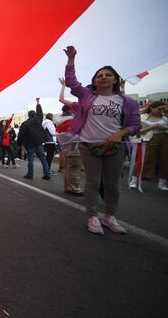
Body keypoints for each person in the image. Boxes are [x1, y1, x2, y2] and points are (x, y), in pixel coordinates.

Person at [64, 45, 140, 235]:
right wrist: (71, 59)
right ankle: (92, 217)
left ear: (115, 79)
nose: (104, 77)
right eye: (100, 76)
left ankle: (109, 216)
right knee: (93, 182)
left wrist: (120, 134)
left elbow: (135, 124)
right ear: (95, 82)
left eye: (108, 75)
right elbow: (72, 82)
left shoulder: (127, 102)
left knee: (113, 184)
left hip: (116, 147)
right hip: (89, 146)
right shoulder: (87, 96)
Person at [130, 101, 168, 190]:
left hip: (165, 139)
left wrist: (164, 128)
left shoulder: (165, 118)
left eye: (163, 109)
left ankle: (162, 183)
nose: (161, 111)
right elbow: (137, 131)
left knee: (165, 161)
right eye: (159, 109)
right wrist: (153, 127)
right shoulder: (142, 117)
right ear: (152, 108)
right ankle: (134, 181)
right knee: (143, 159)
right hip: (149, 139)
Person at [57, 78, 83, 196]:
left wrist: (63, 86)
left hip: (66, 149)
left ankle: (68, 186)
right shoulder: (71, 120)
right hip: (74, 148)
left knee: (68, 168)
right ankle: (74, 188)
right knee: (74, 167)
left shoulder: (60, 120)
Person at [17, 98, 51, 180]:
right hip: (39, 143)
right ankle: (47, 174)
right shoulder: (38, 120)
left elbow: (20, 134)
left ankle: (30, 174)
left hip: (30, 144)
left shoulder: (25, 123)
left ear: (28, 115)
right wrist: (38, 103)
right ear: (35, 115)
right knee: (43, 159)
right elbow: (40, 113)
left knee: (31, 160)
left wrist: (19, 144)